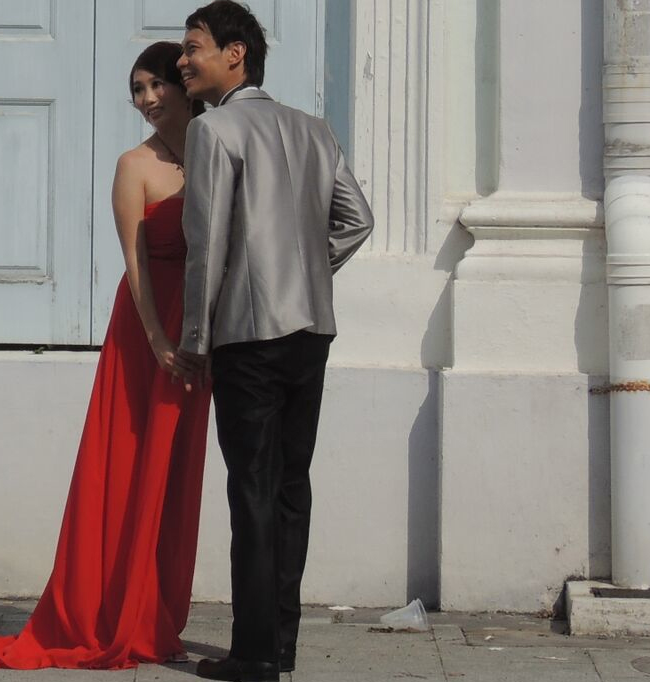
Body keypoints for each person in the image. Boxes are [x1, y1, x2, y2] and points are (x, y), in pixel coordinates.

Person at [0, 41, 213, 671]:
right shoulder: (135, 165)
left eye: (156, 85)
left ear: (185, 86)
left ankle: (156, 613)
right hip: (148, 332)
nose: (147, 99)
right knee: (130, 467)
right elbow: (135, 265)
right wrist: (158, 341)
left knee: (177, 478)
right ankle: (107, 612)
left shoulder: (217, 152)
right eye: (137, 90)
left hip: (202, 331)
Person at [172, 2, 374, 680]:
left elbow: (206, 245)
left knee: (253, 491)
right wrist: (305, 268)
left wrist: (194, 338)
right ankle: (280, 644)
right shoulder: (314, 129)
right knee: (290, 487)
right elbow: (357, 220)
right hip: (312, 330)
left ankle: (255, 653)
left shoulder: (213, 129)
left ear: (236, 53)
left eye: (192, 47)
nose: (182, 61)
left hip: (248, 336)